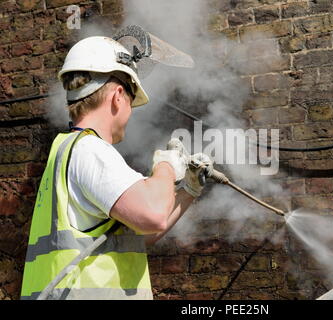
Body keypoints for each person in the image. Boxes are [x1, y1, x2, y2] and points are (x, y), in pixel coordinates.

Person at [20, 36, 212, 300]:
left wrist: (189, 189)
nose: (130, 113)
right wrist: (166, 166)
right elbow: (153, 215)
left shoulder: (67, 149)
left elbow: (137, 235)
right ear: (118, 96)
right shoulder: (90, 150)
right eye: (132, 103)